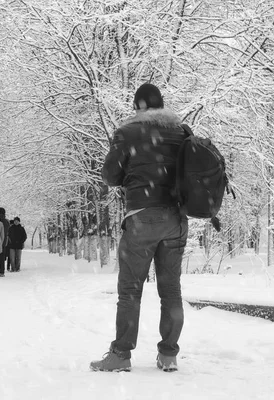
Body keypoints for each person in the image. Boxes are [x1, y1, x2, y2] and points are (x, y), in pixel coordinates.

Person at [90, 83, 188, 373]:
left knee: (130, 290)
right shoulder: (182, 132)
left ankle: (121, 355)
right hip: (176, 220)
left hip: (142, 217)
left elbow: (110, 175)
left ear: (139, 106)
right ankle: (168, 354)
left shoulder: (128, 133)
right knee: (171, 290)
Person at [0, 207, 10, 277]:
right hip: (4, 241)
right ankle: (2, 272)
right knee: (2, 257)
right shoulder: (6, 221)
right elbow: (7, 231)